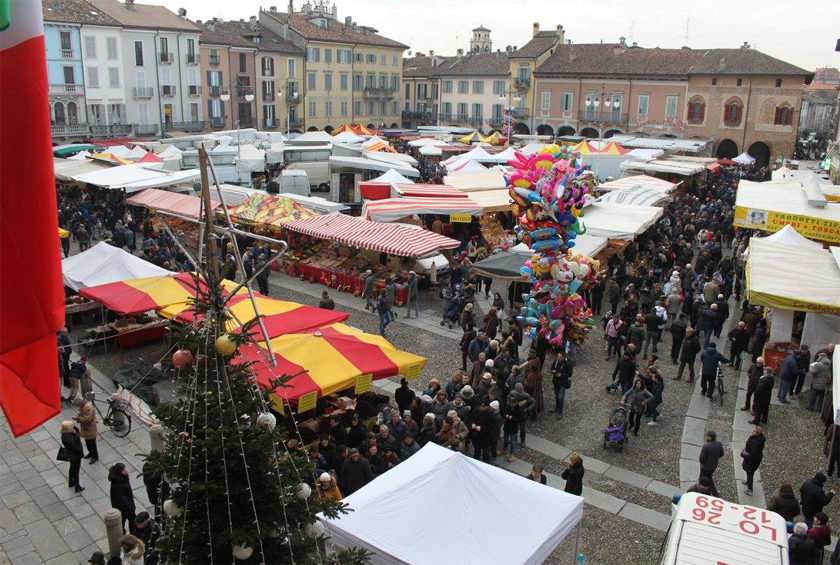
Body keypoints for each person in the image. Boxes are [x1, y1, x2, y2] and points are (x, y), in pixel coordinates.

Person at [109, 462, 138, 535]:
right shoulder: (117, 484)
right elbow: (121, 498)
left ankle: (132, 535)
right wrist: (130, 508)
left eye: (125, 469)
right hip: (123, 507)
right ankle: (124, 535)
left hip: (128, 504)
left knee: (132, 521)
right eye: (123, 470)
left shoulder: (124, 478)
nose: (126, 471)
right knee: (124, 522)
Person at [60, 420, 85, 493]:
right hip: (75, 455)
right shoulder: (67, 437)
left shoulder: (68, 433)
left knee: (72, 468)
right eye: (71, 425)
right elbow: (73, 446)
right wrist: (80, 449)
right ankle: (77, 485)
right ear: (68, 428)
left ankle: (71, 482)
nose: (73, 426)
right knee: (76, 470)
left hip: (74, 455)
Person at [73, 397, 99, 464]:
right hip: (87, 429)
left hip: (90, 428)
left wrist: (77, 418)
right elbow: (81, 412)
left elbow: (86, 419)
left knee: (92, 444)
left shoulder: (88, 408)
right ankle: (91, 453)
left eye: (77, 405)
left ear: (80, 403)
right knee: (88, 443)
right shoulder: (84, 406)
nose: (77, 406)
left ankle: (95, 456)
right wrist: (78, 414)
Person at [741, 426, 765, 496]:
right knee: (749, 472)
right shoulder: (758, 438)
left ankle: (750, 489)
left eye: (754, 431)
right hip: (755, 459)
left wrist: (743, 455)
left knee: (750, 473)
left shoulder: (755, 442)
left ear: (757, 433)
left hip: (752, 461)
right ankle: (748, 482)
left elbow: (752, 455)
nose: (752, 432)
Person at [699, 431, 724, 497]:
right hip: (713, 466)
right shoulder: (719, 444)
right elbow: (721, 454)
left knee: (702, 480)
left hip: (705, 467)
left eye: (707, 436)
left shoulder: (706, 446)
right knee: (709, 478)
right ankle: (715, 494)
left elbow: (701, 459)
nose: (705, 437)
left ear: (710, 437)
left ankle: (701, 493)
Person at [551, 351, 572, 418]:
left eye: (560, 357)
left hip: (562, 383)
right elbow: (551, 368)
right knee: (556, 396)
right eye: (558, 357)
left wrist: (561, 375)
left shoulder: (567, 364)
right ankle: (556, 408)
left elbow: (570, 374)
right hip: (555, 382)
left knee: (560, 397)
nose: (558, 358)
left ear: (563, 357)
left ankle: (560, 412)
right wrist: (553, 372)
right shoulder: (555, 361)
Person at [502, 395, 523, 462]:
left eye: (512, 403)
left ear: (516, 403)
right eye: (510, 403)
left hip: (513, 428)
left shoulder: (519, 409)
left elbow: (520, 419)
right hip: (507, 426)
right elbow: (504, 412)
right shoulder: (508, 406)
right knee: (505, 440)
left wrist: (512, 418)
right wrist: (506, 415)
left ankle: (512, 454)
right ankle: (504, 450)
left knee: (513, 442)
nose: (511, 404)